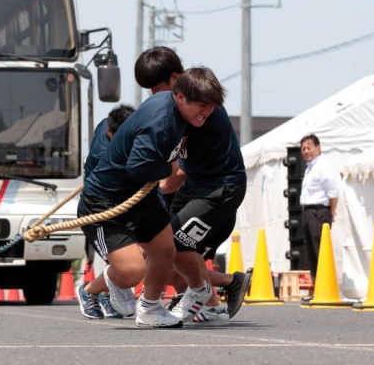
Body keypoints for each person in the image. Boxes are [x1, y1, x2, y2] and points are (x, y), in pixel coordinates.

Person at [76, 68, 223, 328]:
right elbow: (138, 167)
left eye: (211, 107)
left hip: (142, 195)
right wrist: (171, 168)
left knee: (165, 250)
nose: (206, 112)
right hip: (105, 201)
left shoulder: (177, 106)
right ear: (180, 97)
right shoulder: (161, 122)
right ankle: (112, 282)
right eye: (202, 106)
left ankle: (150, 309)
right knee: (132, 271)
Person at [135, 46, 249, 324]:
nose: (153, 95)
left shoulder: (196, 107)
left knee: (172, 245)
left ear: (176, 80)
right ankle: (215, 302)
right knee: (169, 248)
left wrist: (155, 191)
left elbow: (176, 171)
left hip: (219, 189)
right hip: (197, 186)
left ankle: (201, 293)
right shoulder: (177, 108)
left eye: (157, 87)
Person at [78, 103, 135, 319]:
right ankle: (90, 290)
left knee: (138, 254)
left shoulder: (108, 124)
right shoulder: (107, 155)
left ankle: (106, 294)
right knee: (119, 261)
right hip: (100, 208)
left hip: (127, 204)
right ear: (110, 134)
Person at [299, 134, 340, 285]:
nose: (306, 151)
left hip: (319, 212)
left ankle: (325, 285)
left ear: (318, 147)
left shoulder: (322, 166)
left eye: (309, 147)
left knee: (319, 249)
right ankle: (317, 285)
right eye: (303, 148)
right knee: (310, 251)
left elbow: (333, 191)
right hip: (309, 212)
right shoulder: (309, 168)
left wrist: (331, 210)